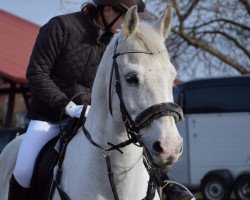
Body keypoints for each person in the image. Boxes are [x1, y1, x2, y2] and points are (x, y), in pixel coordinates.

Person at [8, 0, 193, 199]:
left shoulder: (119, 43)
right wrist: (68, 107)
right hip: (50, 118)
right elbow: (36, 73)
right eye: (127, 19)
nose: (131, 26)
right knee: (23, 171)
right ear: (107, 10)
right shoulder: (60, 27)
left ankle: (166, 182)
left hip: (94, 117)